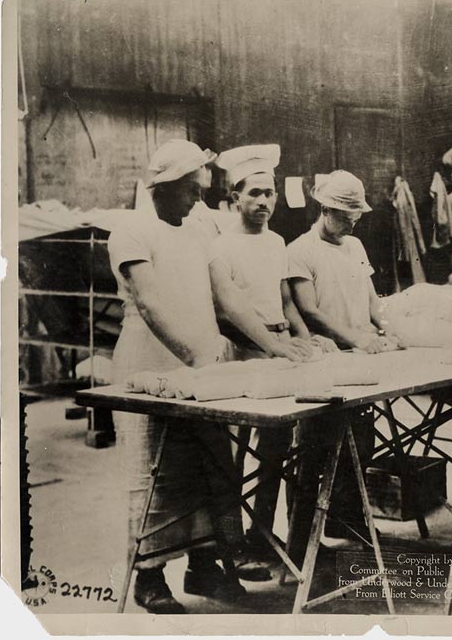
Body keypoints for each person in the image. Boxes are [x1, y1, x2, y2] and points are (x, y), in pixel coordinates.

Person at [108, 140, 270, 614]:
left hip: (200, 365)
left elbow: (229, 299)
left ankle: (205, 568)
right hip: (147, 364)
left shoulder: (201, 230)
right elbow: (150, 304)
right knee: (153, 474)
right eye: (191, 191)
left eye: (200, 191)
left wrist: (279, 346)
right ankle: (149, 577)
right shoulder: (131, 231)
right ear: (163, 187)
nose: (199, 200)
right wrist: (195, 361)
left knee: (212, 470)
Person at [208, 145, 335, 560]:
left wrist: (305, 337)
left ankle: (263, 535)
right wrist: (277, 347)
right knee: (231, 458)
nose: (264, 202)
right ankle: (232, 543)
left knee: (275, 451)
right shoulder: (220, 246)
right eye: (255, 193)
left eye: (270, 193)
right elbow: (229, 312)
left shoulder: (277, 241)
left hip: (277, 351)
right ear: (234, 199)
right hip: (242, 353)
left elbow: (285, 301)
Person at [287, 170, 399, 554]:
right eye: (345, 215)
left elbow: (371, 301)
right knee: (313, 456)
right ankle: (300, 542)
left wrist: (385, 331)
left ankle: (347, 519)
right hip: (325, 363)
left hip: (359, 361)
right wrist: (358, 340)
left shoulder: (354, 247)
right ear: (324, 208)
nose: (352, 223)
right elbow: (310, 310)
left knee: (361, 446)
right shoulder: (300, 251)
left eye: (357, 217)